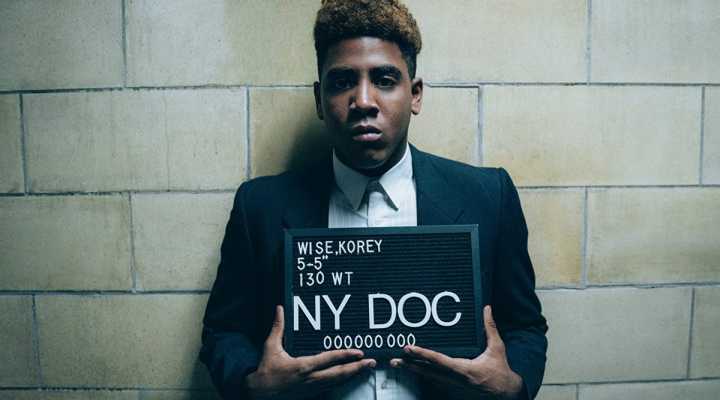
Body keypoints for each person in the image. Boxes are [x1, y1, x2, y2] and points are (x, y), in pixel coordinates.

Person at [199, 1, 548, 399]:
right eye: (342, 81)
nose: (363, 100)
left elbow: (524, 327)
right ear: (319, 99)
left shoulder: (488, 196)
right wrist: (253, 384)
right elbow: (224, 332)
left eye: (384, 79)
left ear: (415, 94)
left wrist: (512, 386)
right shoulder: (259, 206)